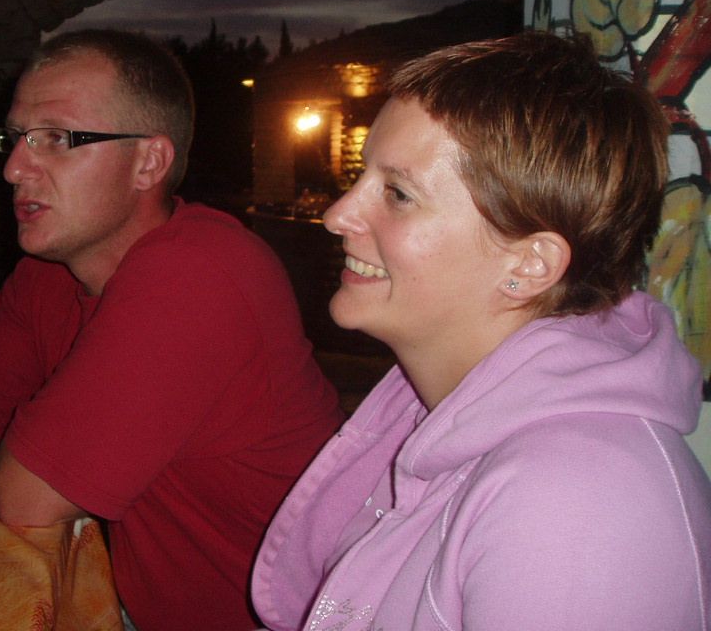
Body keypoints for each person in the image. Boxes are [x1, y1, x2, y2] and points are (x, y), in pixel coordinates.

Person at [0, 29, 343, 631]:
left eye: (56, 138)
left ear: (149, 162)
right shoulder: (51, 275)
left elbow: (26, 501)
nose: (14, 168)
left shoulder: (200, 272)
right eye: (14, 138)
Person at [250, 31, 711, 630]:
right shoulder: (431, 409)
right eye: (363, 177)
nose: (338, 215)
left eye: (397, 193)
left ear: (529, 264)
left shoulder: (580, 499)